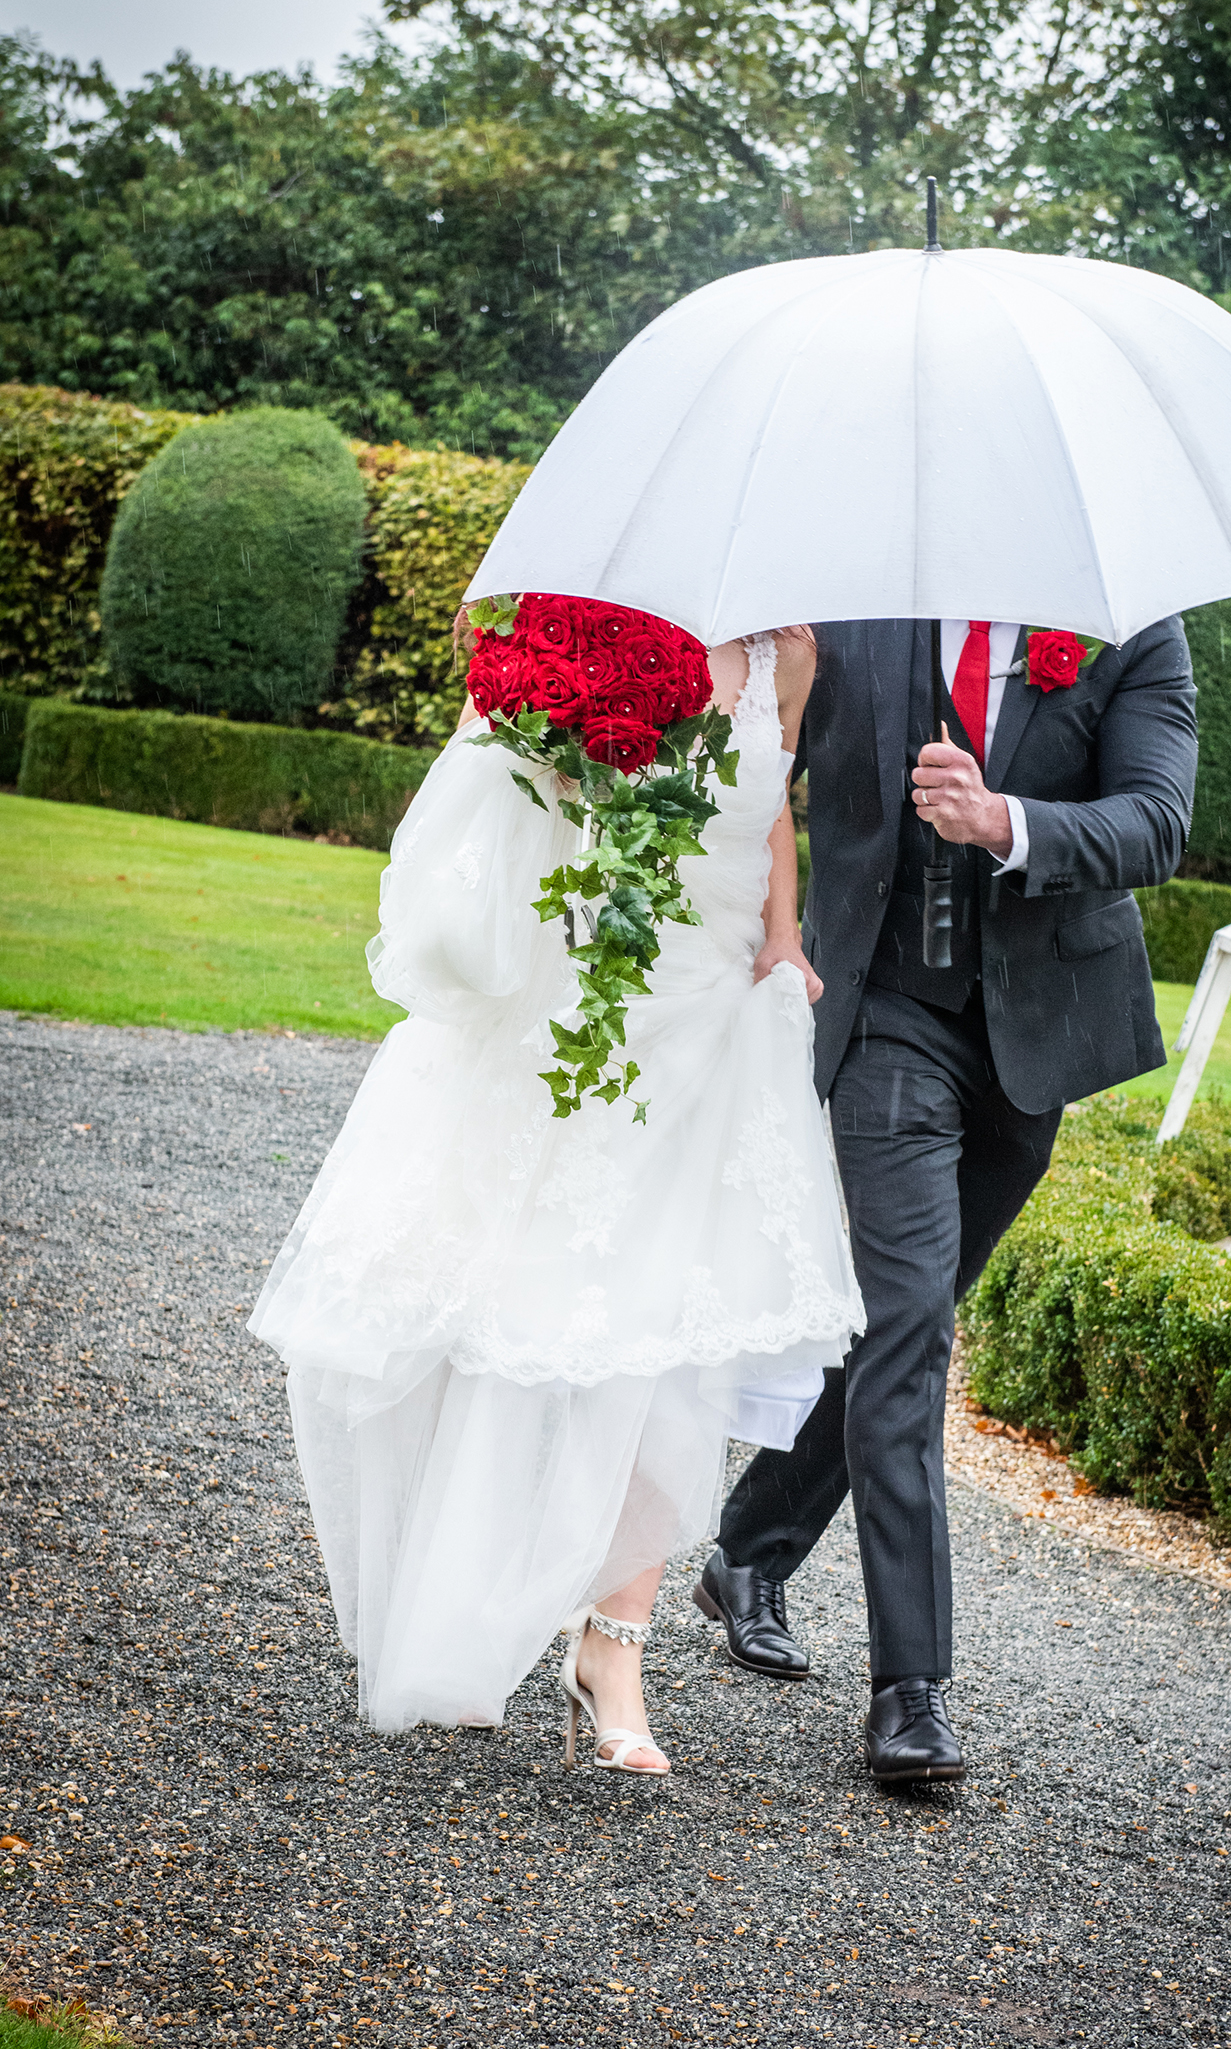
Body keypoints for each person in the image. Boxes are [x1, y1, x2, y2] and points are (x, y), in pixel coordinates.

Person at [254, 628, 861, 1771]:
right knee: (515, 1315)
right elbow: (503, 774)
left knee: (669, 1335)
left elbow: (772, 802)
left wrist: (784, 937)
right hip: (588, 1005)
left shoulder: (792, 648)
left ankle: (612, 1647)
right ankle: (473, 1595)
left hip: (719, 1012)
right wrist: (569, 757)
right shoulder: (596, 612)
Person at [691, 616, 1194, 1786]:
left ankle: (751, 1548)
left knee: (888, 1329)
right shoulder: (857, 611)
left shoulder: (1135, 632)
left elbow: (1156, 820)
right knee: (912, 1326)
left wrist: (1002, 820)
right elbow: (752, 769)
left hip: (1033, 1046)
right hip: (882, 1017)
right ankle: (910, 1691)